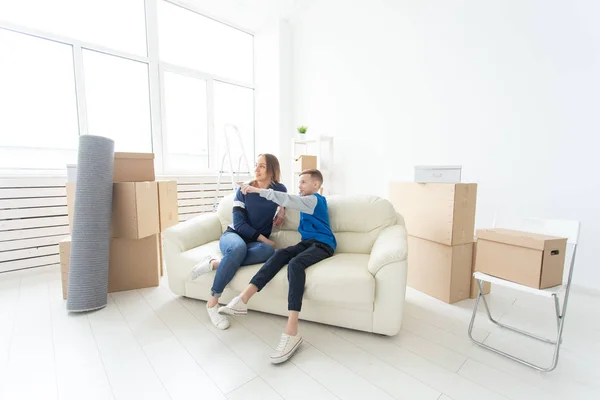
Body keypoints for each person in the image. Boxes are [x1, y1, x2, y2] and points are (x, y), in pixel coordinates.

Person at [218, 169, 336, 364]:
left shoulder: (315, 200)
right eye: (299, 182)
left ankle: (292, 332)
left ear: (316, 185)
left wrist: (257, 191)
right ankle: (243, 299)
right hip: (307, 242)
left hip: (323, 244)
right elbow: (286, 201)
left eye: (304, 182)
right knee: (280, 253)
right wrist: (281, 209)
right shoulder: (303, 199)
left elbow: (285, 197)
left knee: (295, 264)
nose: (300, 186)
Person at [189, 154, 287, 330]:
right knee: (238, 249)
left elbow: (284, 200)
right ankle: (212, 303)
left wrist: (282, 210)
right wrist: (265, 239)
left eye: (262, 166)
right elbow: (239, 224)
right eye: (256, 165)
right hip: (234, 236)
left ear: (272, 169)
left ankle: (215, 264)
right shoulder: (243, 190)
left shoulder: (279, 189)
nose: (256, 169)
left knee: (268, 252)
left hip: (255, 244)